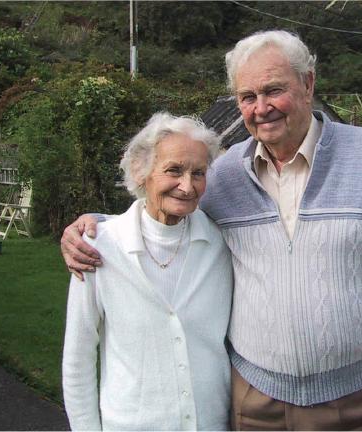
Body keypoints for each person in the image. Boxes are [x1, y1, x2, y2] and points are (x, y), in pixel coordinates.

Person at [61, 30, 362, 431]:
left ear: (308, 84)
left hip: (361, 401)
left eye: (274, 90)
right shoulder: (223, 176)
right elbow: (166, 207)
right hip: (257, 405)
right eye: (247, 97)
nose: (261, 108)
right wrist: (98, 227)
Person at [62, 112, 233, 431]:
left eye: (198, 173)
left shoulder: (220, 244)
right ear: (142, 172)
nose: (187, 186)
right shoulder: (99, 246)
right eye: (174, 170)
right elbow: (78, 359)